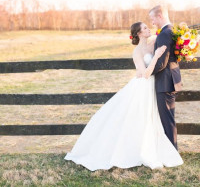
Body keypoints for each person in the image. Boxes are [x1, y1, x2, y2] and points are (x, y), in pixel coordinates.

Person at [64, 21, 183, 171]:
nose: (149, 29)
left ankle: (151, 147)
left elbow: (167, 45)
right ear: (139, 33)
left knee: (152, 119)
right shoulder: (137, 52)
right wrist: (156, 56)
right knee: (138, 118)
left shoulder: (153, 42)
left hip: (155, 85)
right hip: (143, 86)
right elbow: (145, 74)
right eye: (145, 28)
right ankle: (131, 150)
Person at [148, 5, 182, 150]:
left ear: (160, 16)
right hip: (172, 79)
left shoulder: (164, 34)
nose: (152, 23)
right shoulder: (173, 30)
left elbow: (161, 63)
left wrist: (147, 72)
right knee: (168, 118)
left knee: (167, 120)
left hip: (165, 81)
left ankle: (172, 152)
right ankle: (169, 150)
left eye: (153, 18)